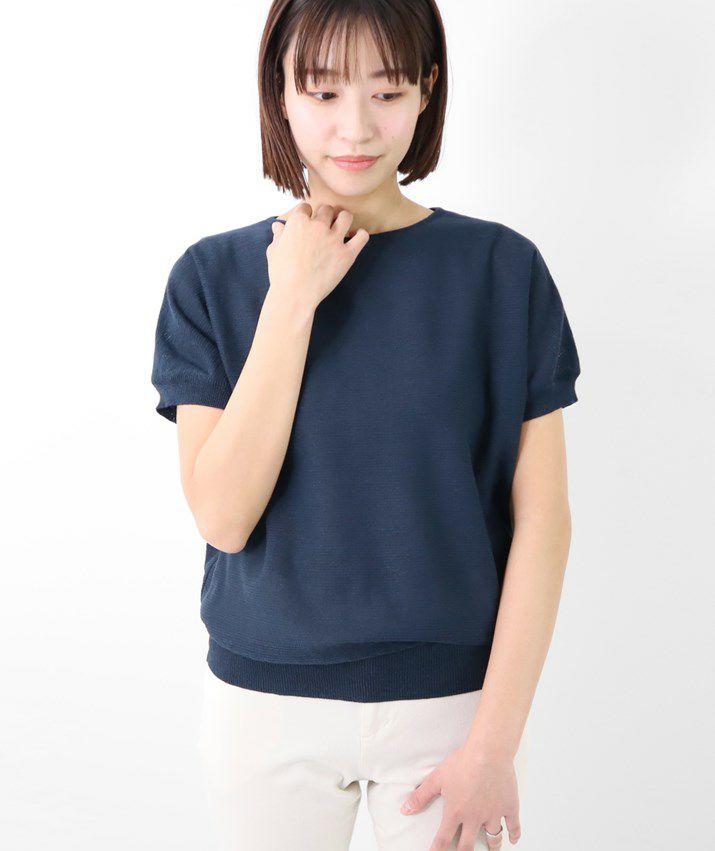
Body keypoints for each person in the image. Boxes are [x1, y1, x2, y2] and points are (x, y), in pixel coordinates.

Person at [150, 1, 581, 848]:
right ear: (279, 92)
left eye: (386, 93)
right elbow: (224, 516)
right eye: (322, 92)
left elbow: (543, 521)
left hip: (453, 710)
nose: (355, 128)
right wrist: (292, 296)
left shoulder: (501, 271)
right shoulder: (211, 277)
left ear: (427, 90)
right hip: (264, 711)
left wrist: (493, 744)